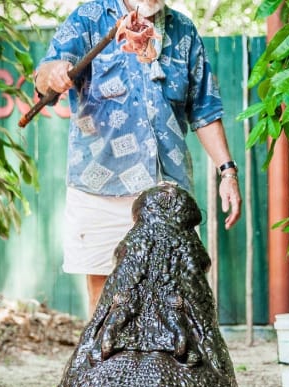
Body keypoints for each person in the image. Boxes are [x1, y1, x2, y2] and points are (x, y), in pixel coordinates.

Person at [34, 0, 242, 317]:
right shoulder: (88, 18)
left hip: (166, 193)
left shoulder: (183, 30)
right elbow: (44, 75)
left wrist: (227, 172)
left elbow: (205, 111)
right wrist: (54, 73)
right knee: (105, 304)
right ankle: (104, 368)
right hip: (101, 186)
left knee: (173, 300)